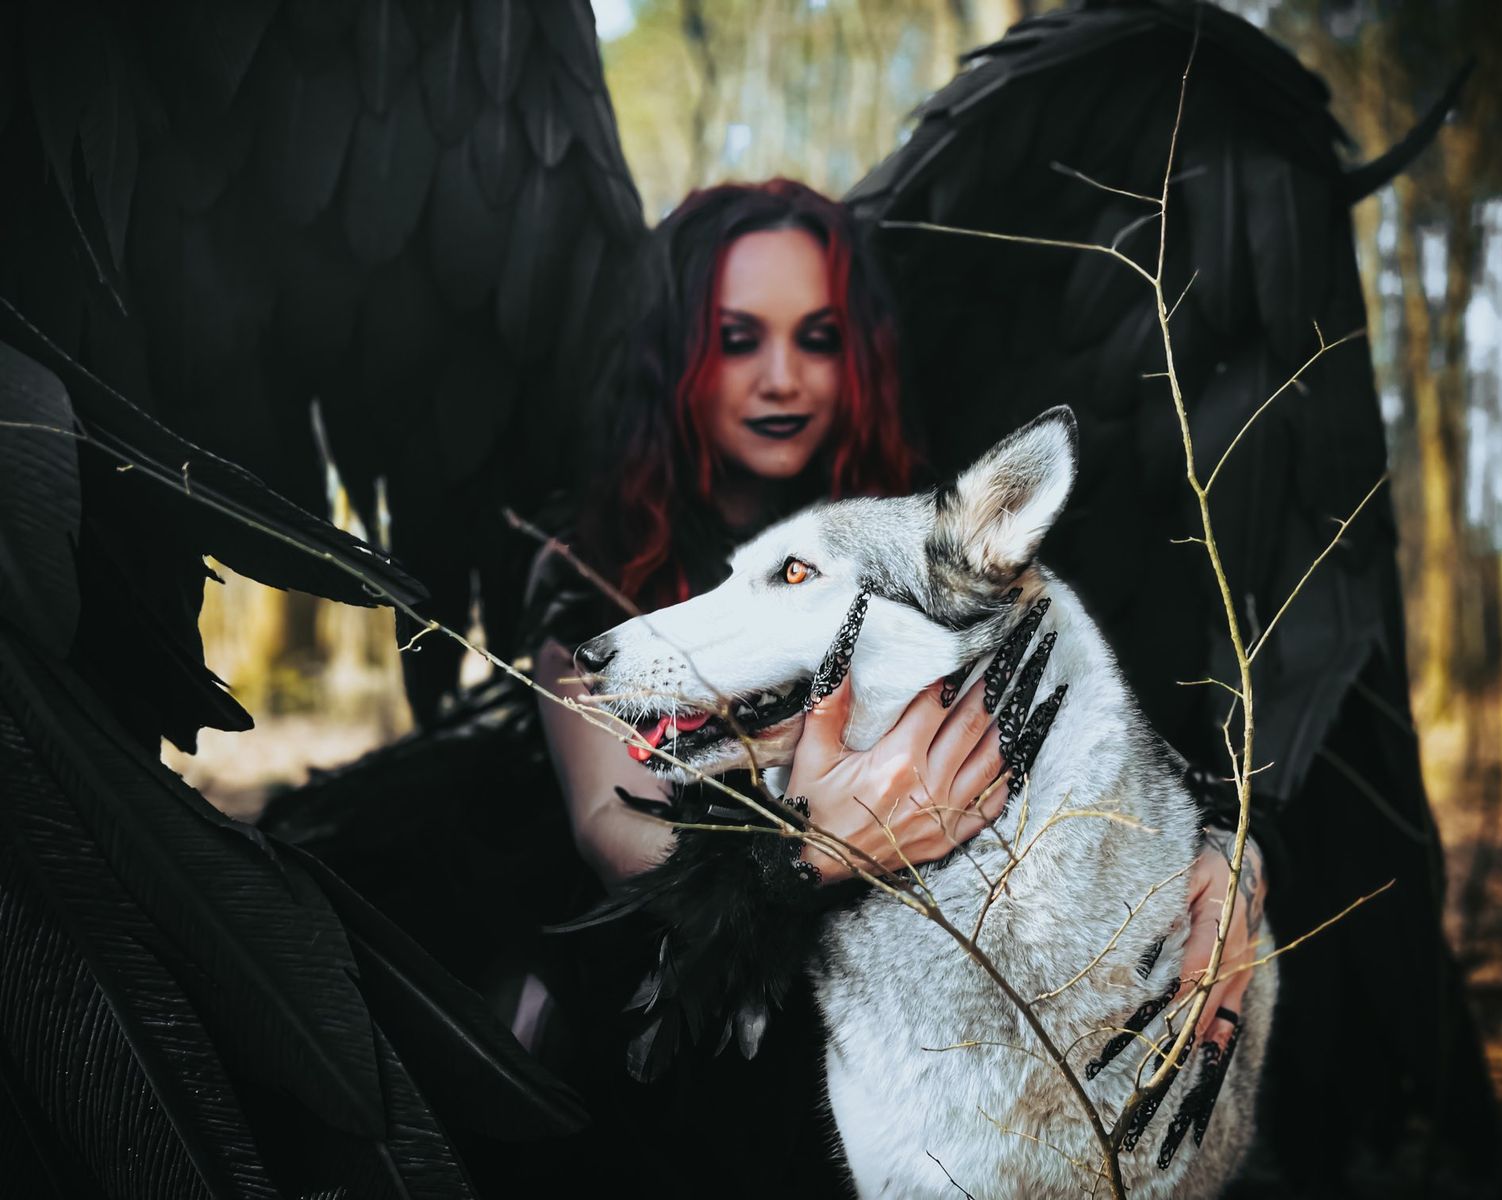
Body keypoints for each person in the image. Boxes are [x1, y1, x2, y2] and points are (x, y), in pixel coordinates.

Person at [521, 179, 1265, 1194]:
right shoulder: (592, 564)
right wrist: (808, 855)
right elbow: (615, 830)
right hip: (688, 1027)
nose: (782, 378)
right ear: (677, 353)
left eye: (817, 338)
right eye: (737, 339)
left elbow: (1111, 731)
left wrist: (1225, 858)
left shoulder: (922, 542)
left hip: (946, 1028)